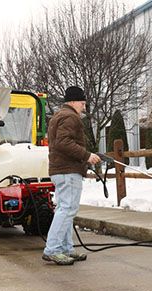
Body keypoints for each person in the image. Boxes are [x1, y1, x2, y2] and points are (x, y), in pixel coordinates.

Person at [42, 86, 101, 265]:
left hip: (60, 171)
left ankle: (66, 249)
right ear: (74, 101)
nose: (83, 107)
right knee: (67, 210)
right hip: (68, 171)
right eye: (82, 103)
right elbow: (63, 142)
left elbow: (61, 142)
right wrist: (86, 156)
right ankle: (52, 249)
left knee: (65, 209)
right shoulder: (70, 117)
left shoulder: (58, 116)